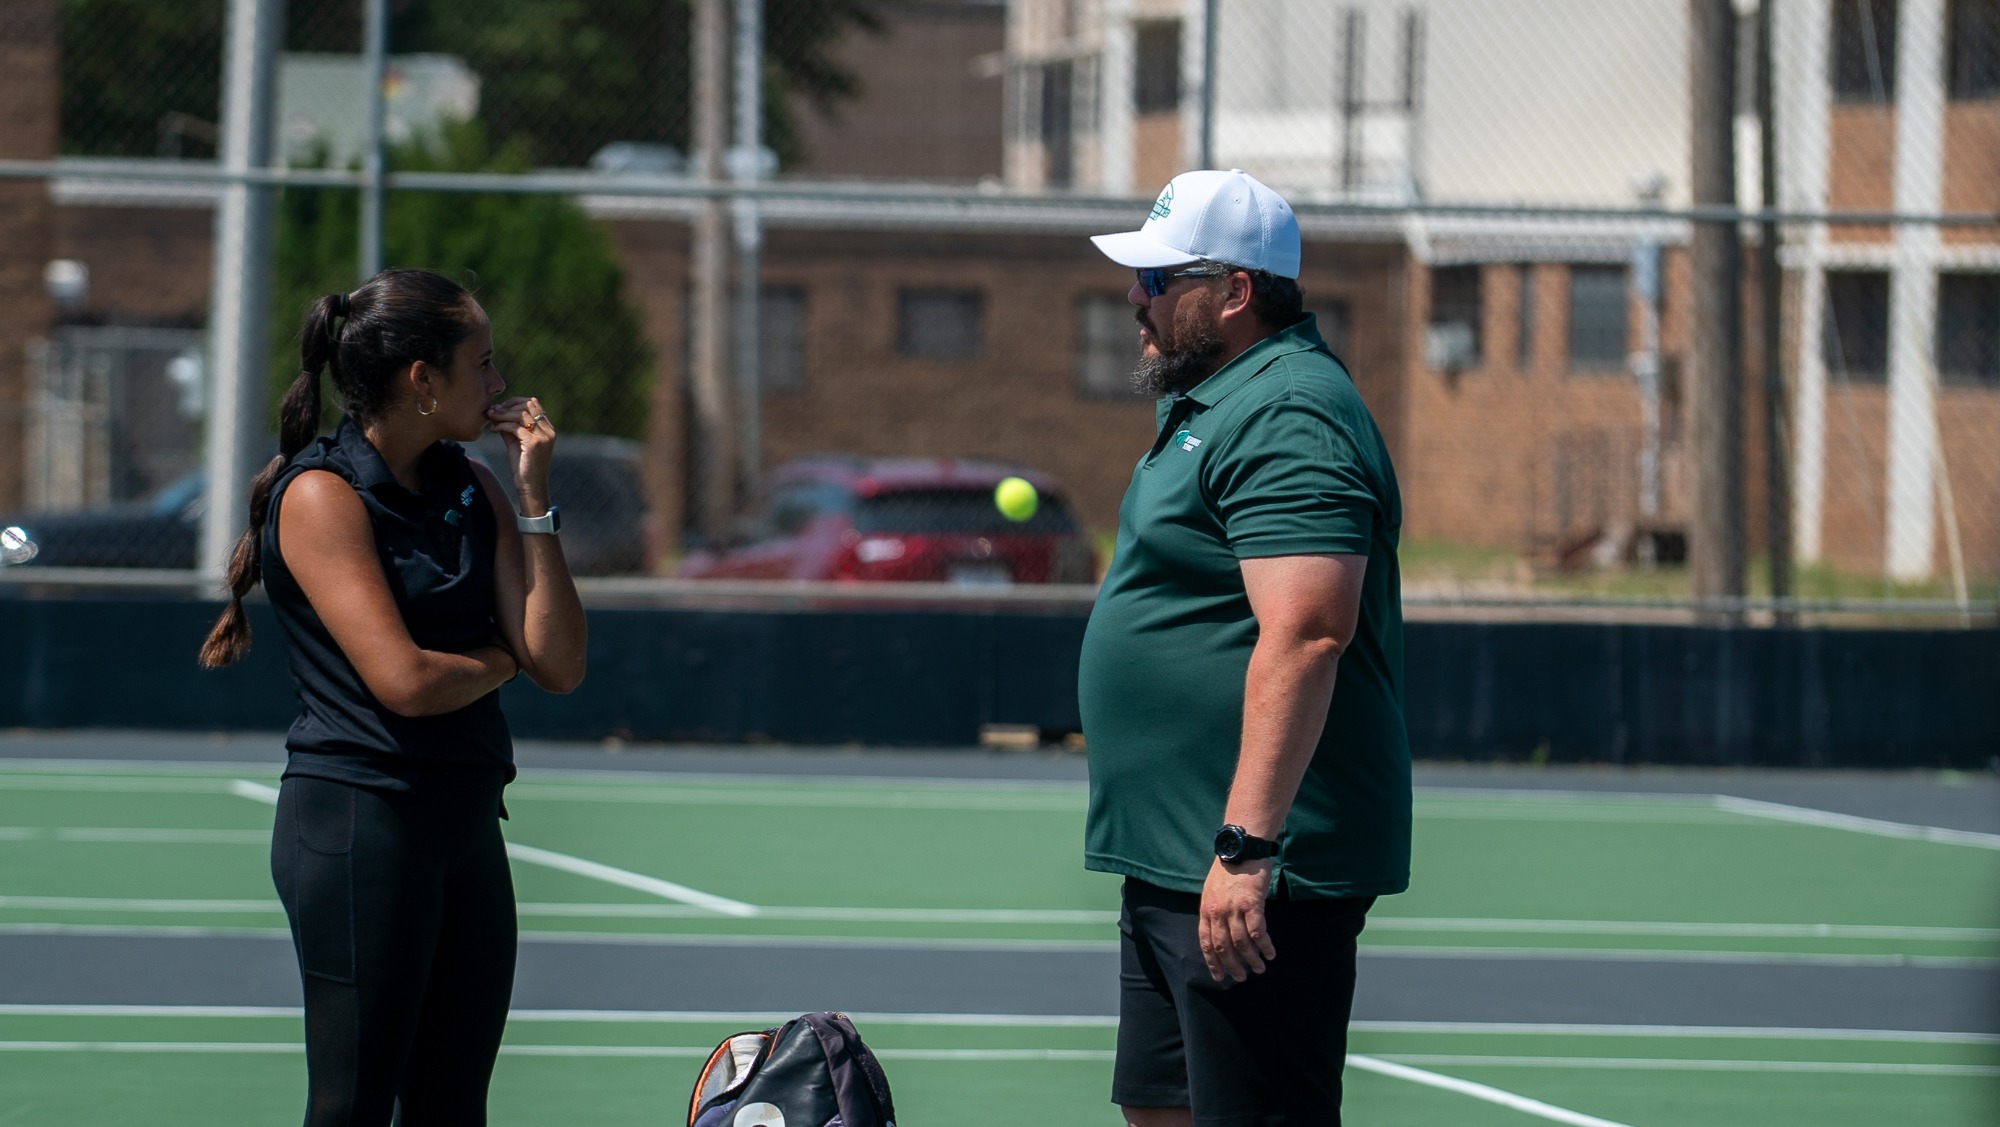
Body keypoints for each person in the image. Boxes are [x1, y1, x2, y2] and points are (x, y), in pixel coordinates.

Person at [199, 267, 587, 1125]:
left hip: (465, 824)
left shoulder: (474, 489)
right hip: (357, 827)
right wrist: (498, 658)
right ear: (422, 378)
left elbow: (558, 661)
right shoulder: (320, 495)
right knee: (353, 1103)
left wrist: (533, 500)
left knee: (453, 1106)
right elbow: (405, 681)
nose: (499, 384)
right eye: (481, 363)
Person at [1077, 169, 1410, 1126]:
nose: (1134, 299)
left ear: (1234, 291)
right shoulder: (1219, 399)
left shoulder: (1288, 409)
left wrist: (1247, 844)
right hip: (1176, 858)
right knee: (1164, 1109)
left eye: (1157, 280)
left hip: (1254, 870)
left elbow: (1309, 632)